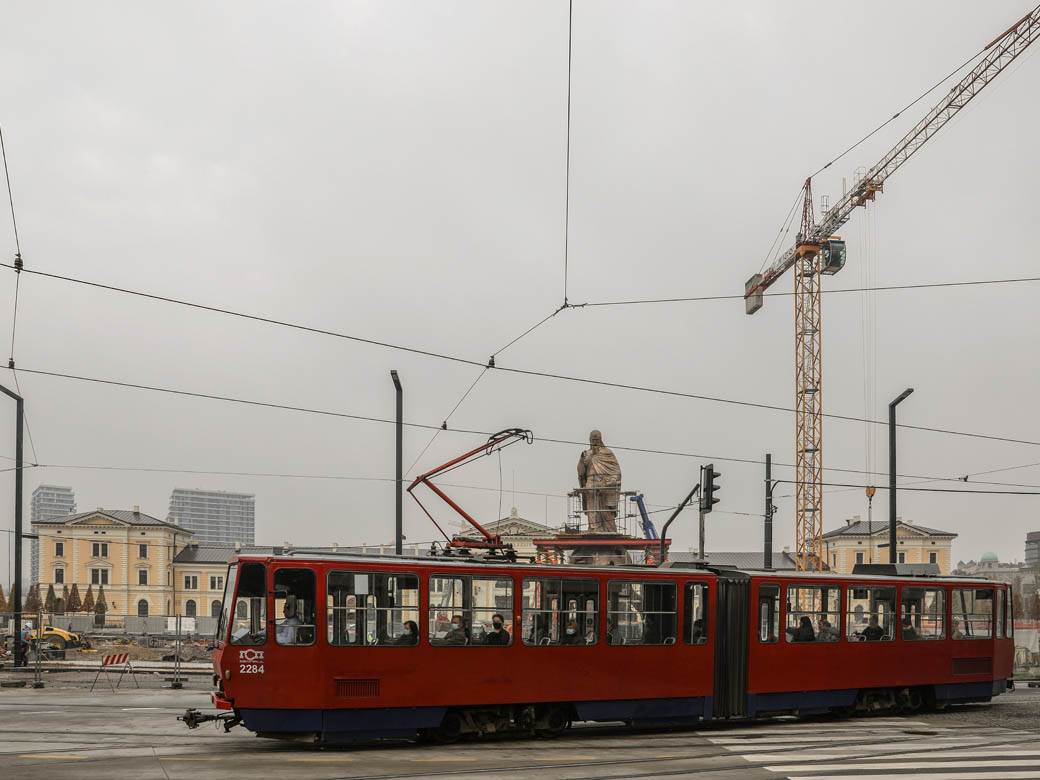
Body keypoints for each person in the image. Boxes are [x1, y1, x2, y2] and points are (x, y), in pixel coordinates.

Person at [577, 430, 622, 532]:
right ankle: (594, 528)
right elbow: (581, 472)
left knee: (605, 510)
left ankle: (609, 530)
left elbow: (616, 471)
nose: (595, 441)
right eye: (593, 439)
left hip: (604, 485)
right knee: (592, 510)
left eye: (597, 439)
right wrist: (581, 460)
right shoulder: (586, 454)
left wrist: (612, 481)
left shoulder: (607, 453)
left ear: (601, 439)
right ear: (590, 440)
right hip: (591, 484)